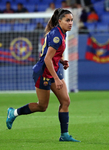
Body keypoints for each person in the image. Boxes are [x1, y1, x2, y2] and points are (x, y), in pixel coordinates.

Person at [6, 8, 80, 142]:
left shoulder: (62, 32)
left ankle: (64, 135)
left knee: (65, 101)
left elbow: (53, 54)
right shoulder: (57, 36)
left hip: (53, 69)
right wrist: (57, 79)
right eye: (67, 20)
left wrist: (61, 60)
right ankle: (14, 113)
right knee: (42, 106)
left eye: (72, 20)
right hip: (43, 72)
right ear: (60, 21)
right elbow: (47, 59)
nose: (70, 23)